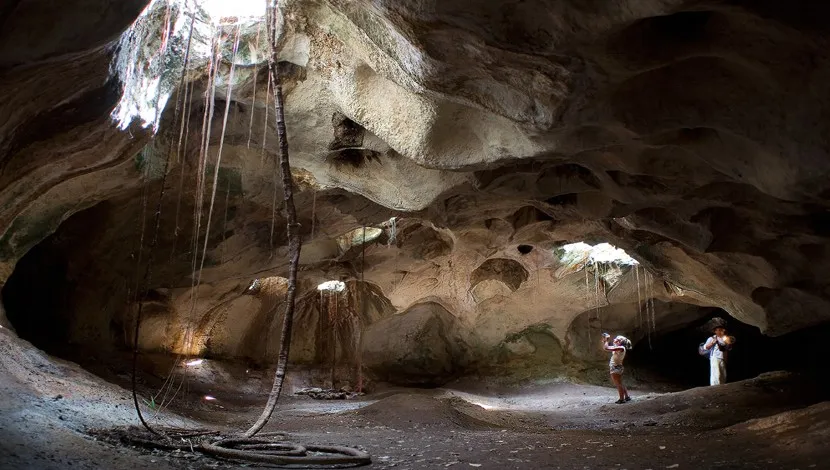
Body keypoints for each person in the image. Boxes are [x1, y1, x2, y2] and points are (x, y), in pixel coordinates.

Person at [601, 332, 633, 404]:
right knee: (620, 383)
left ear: (621, 342)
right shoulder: (619, 348)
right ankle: (627, 397)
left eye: (618, 339)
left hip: (616, 367)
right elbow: (606, 348)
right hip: (617, 367)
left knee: (618, 384)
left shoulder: (621, 348)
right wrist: (605, 341)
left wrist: (606, 340)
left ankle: (622, 399)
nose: (615, 339)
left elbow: (607, 347)